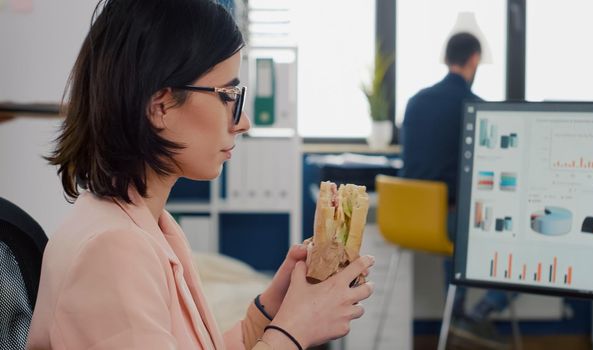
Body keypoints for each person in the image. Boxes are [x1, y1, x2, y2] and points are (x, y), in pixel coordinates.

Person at [26, 0, 374, 349]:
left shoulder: (147, 223)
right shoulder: (112, 250)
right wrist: (293, 332)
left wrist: (270, 312)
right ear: (159, 107)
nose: (243, 122)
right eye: (228, 96)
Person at [400, 32, 513, 349]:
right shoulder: (475, 109)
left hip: (408, 221)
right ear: (474, 59)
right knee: (522, 238)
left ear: (447, 58)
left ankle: (460, 312)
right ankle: (479, 313)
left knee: (459, 218)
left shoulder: (415, 100)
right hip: (448, 225)